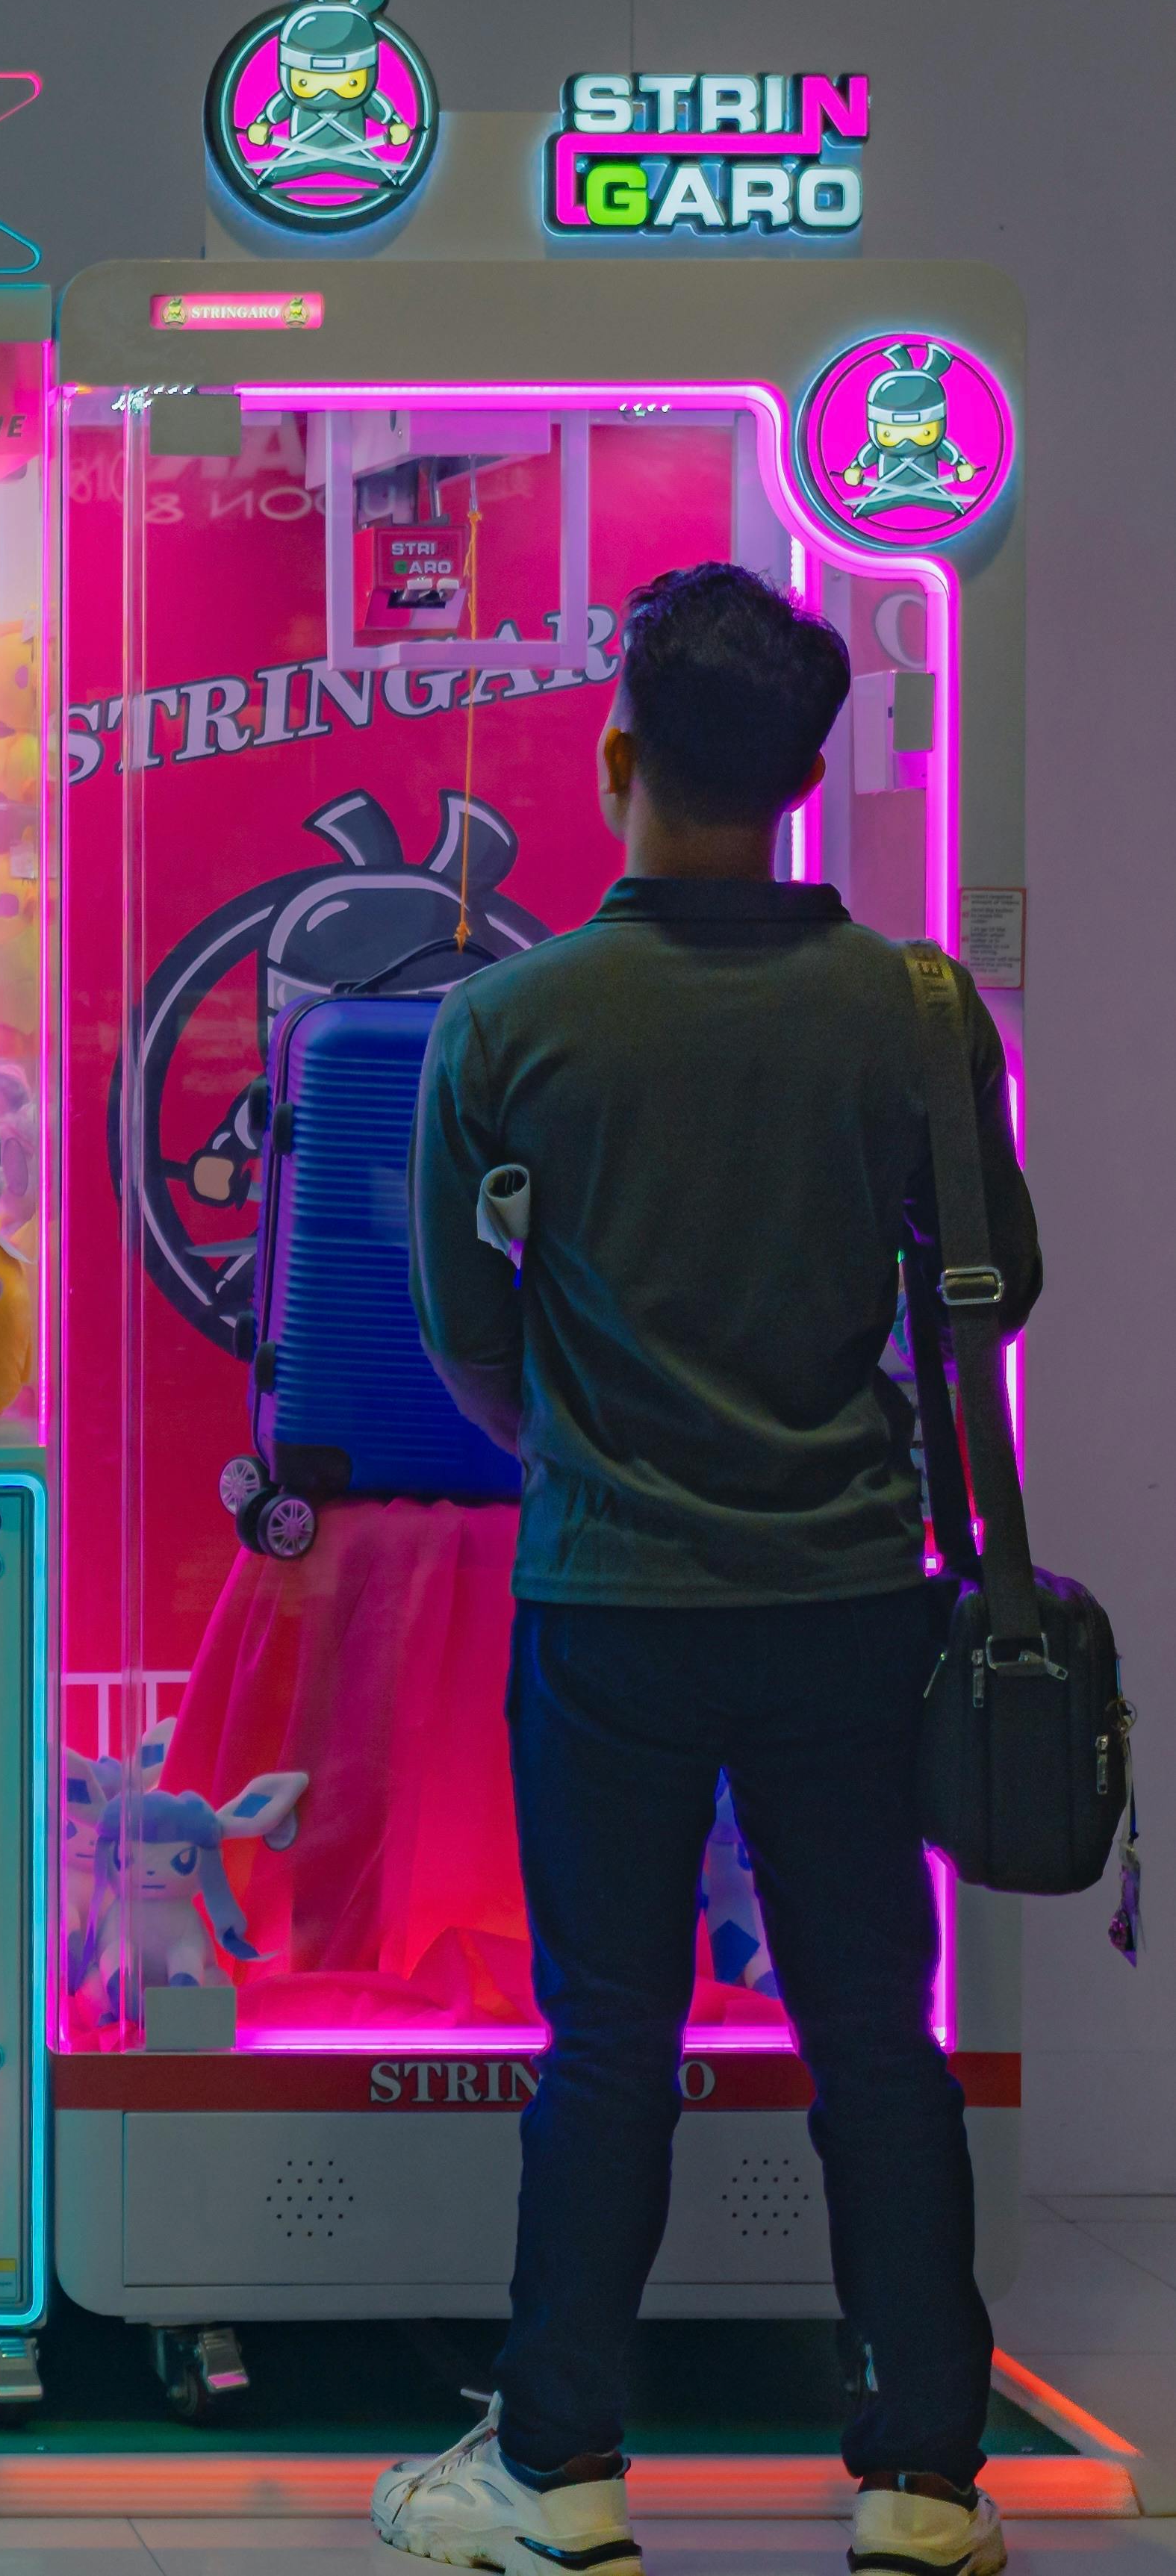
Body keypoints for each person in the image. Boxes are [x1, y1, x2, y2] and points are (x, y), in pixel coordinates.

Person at [377, 564, 1033, 2576]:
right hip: (852, 1598)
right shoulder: (912, 1009)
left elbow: (459, 1333)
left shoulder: (507, 1022)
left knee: (604, 2033)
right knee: (869, 2029)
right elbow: (997, 1291)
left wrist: (582, 1446)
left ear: (613, 756)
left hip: (607, 1599)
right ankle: (923, 2473)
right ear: (810, 772)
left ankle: (557, 2470)